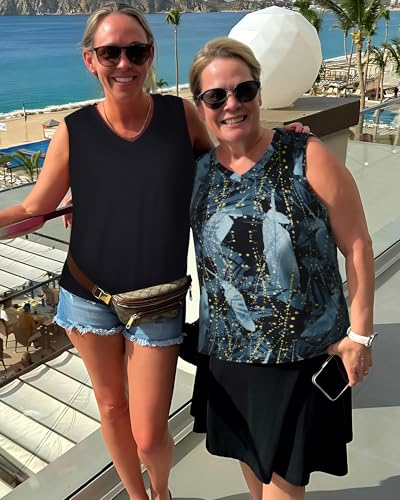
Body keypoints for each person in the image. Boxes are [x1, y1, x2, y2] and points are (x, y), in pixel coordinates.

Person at [0, 4, 306, 497]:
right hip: (87, 295)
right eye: (110, 53)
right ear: (90, 60)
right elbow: (35, 206)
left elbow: (229, 159)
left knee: (148, 432)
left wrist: (281, 142)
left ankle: (159, 488)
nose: (123, 63)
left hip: (158, 301)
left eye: (136, 51)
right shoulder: (74, 130)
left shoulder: (178, 115)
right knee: (111, 408)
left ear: (150, 54)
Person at [189, 38, 375, 500]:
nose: (232, 104)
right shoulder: (199, 172)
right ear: (200, 105)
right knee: (253, 469)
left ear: (259, 92)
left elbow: (357, 243)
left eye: (244, 90)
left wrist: (360, 336)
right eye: (216, 96)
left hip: (302, 359)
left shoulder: (305, 154)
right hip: (230, 357)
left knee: (283, 488)